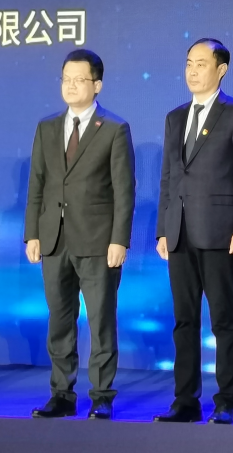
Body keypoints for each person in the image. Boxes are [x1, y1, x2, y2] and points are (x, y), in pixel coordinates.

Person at [153, 38, 233, 425]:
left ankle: (225, 401)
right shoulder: (175, 117)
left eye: (201, 63)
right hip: (179, 233)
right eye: (189, 63)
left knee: (223, 321)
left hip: (220, 233)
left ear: (221, 70)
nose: (193, 71)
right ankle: (185, 400)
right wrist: (163, 229)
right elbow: (169, 177)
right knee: (184, 321)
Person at [24, 49, 135, 421]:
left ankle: (102, 395)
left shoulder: (114, 129)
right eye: (66, 79)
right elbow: (37, 184)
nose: (71, 86)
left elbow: (124, 191)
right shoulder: (47, 127)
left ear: (97, 85)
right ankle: (62, 394)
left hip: (98, 242)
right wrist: (32, 234)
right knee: (59, 320)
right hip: (54, 240)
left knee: (101, 321)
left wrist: (119, 240)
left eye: (79, 79)